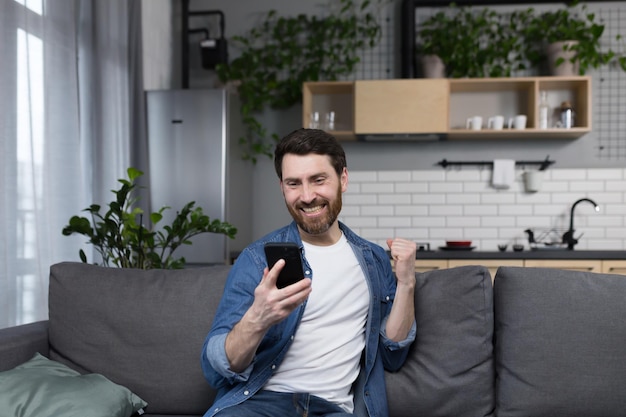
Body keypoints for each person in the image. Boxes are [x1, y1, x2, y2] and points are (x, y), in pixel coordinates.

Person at [201, 128, 417, 417]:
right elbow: (215, 368)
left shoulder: (374, 260)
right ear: (282, 188)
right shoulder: (256, 259)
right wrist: (257, 318)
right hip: (259, 405)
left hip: (332, 409)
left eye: (318, 180)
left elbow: (393, 355)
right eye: (294, 183)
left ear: (343, 179)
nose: (306, 196)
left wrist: (406, 283)